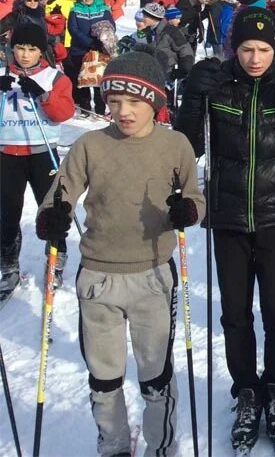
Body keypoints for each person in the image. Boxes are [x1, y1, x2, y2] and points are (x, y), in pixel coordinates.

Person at [176, 7, 275, 451]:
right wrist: (192, 99)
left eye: (263, 49)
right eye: (246, 49)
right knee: (235, 314)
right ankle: (246, 390)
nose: (255, 58)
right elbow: (188, 148)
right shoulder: (219, 82)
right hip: (227, 216)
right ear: (233, 47)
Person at [37, 51, 205, 457]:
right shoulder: (90, 144)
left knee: (155, 375)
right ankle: (112, 446)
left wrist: (189, 210)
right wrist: (52, 217)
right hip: (98, 279)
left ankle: (161, 447)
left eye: (134, 102)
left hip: (152, 275)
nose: (123, 112)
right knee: (104, 376)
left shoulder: (176, 144)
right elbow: (60, 193)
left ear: (155, 102)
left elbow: (195, 197)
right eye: (113, 103)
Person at [0, 24, 75, 298]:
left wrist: (43, 94)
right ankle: (7, 264)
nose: (25, 55)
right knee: (7, 212)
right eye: (20, 48)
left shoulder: (54, 77)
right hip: (7, 152)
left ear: (41, 51)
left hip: (42, 150)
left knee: (52, 207)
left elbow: (64, 112)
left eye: (32, 49)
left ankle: (57, 257)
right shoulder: (2, 73)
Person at [67, 0, 115, 118]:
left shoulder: (103, 8)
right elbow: (73, 29)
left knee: (99, 80)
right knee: (82, 80)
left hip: (100, 49)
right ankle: (85, 108)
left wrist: (102, 41)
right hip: (80, 49)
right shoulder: (75, 10)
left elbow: (110, 26)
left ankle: (100, 109)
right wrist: (89, 42)